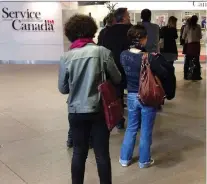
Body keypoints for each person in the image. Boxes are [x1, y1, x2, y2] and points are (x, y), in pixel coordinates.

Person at [58, 14, 121, 184]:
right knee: (101, 154)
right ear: (91, 31)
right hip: (99, 110)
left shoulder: (66, 57)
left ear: (70, 33)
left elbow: (63, 89)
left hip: (76, 111)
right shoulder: (102, 52)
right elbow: (117, 78)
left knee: (79, 152)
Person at [119, 24, 175, 168]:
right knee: (146, 129)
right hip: (147, 96)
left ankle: (125, 159)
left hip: (131, 95)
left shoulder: (123, 55)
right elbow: (164, 73)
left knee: (131, 127)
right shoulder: (149, 57)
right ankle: (144, 161)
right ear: (143, 40)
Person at [100, 8, 132, 130]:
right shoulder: (131, 30)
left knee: (117, 93)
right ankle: (135, 117)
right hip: (129, 65)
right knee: (134, 91)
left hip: (113, 66)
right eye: (128, 15)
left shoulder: (107, 32)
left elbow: (104, 50)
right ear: (123, 17)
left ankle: (119, 119)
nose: (129, 17)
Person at [182, 15, 202, 80]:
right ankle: (196, 76)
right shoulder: (198, 26)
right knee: (196, 61)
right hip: (196, 45)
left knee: (187, 60)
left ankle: (186, 75)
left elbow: (183, 37)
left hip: (189, 45)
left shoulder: (187, 27)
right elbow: (200, 36)